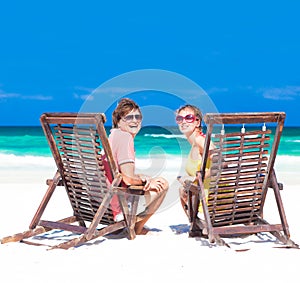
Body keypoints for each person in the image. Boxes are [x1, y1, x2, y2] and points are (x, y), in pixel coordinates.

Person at [108, 98, 169, 235]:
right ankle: (137, 228)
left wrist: (141, 177)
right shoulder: (125, 138)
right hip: (117, 206)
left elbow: (118, 173)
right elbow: (128, 180)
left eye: (138, 116)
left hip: (102, 202)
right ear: (118, 121)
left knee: (150, 182)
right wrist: (145, 181)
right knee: (162, 184)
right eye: (129, 117)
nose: (135, 120)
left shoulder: (112, 136)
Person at [176, 104, 214, 218]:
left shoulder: (200, 140)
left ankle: (196, 225)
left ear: (197, 122)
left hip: (212, 201)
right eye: (179, 119)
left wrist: (199, 177)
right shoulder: (195, 143)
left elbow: (220, 162)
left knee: (183, 190)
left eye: (188, 118)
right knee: (183, 189)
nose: (183, 122)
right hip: (208, 197)